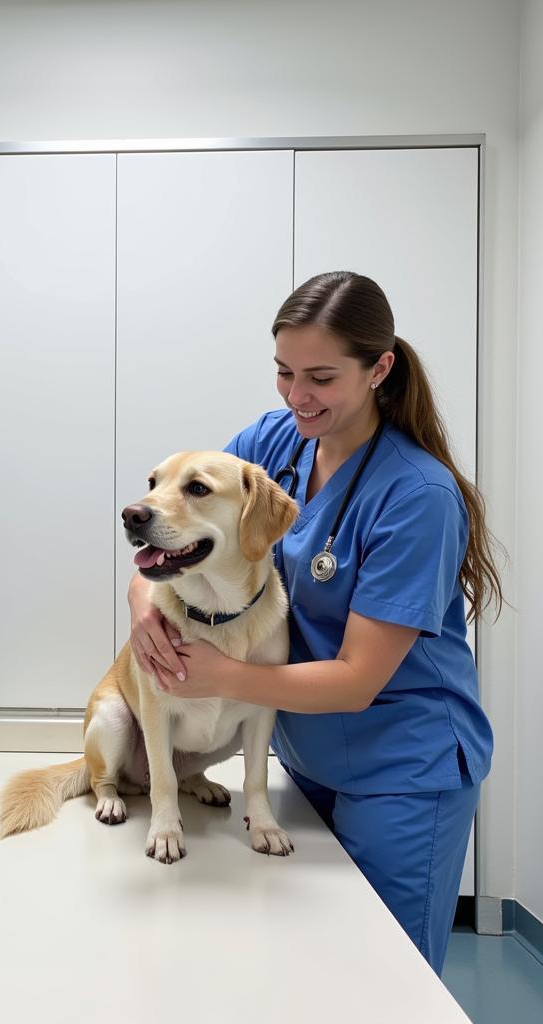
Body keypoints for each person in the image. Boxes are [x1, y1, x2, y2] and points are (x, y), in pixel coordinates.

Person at [127, 271, 502, 976]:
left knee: (386, 984)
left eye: (322, 378)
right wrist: (143, 605)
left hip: (402, 770)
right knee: (306, 977)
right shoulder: (275, 443)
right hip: (307, 757)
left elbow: (359, 679)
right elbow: (176, 530)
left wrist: (217, 674)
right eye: (284, 373)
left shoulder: (417, 495)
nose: (298, 396)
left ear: (380, 368)